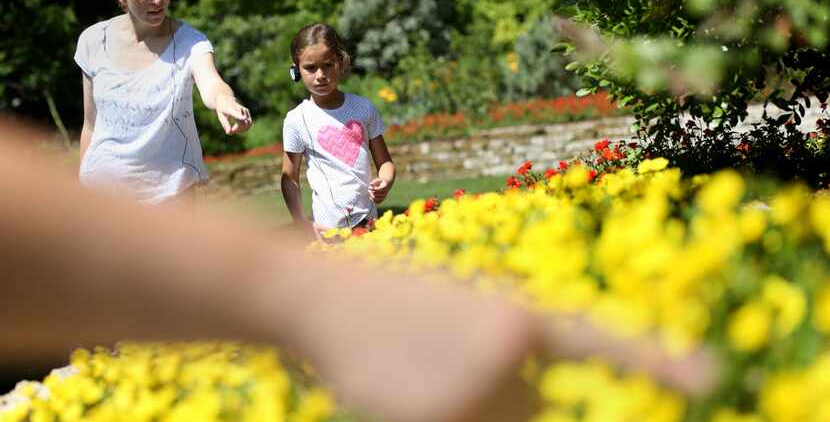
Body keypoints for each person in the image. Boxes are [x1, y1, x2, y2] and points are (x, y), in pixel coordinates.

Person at [0, 118, 718, 422]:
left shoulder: (360, 109)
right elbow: (289, 172)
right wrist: (308, 288)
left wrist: (310, 295)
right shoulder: (294, 123)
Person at [77, 0, 252, 204]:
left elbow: (212, 84)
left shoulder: (190, 42)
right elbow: (90, 126)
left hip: (170, 198)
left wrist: (225, 101)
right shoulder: (93, 41)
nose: (158, 0)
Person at [281, 23, 395, 236]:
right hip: (326, 230)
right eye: (310, 68)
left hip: (369, 224)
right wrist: (301, 222)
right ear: (296, 69)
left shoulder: (363, 108)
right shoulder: (296, 120)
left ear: (340, 63)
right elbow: (289, 178)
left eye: (327, 65)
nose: (320, 75)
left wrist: (385, 181)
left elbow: (385, 163)